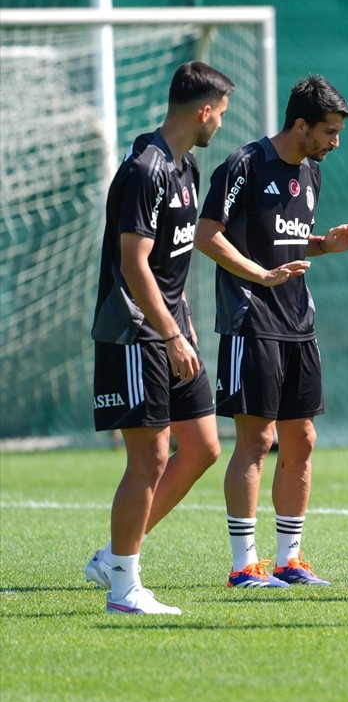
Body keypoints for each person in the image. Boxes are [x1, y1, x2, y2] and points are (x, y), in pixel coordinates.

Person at [195, 75, 348, 589]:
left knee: (303, 438)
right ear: (300, 124)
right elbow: (208, 237)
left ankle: (290, 560)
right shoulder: (243, 165)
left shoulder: (311, 173)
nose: (335, 142)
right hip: (251, 320)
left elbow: (282, 241)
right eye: (329, 131)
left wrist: (321, 244)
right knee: (257, 438)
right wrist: (261, 276)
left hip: (298, 324)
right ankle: (244, 565)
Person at [88, 61, 235, 614]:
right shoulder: (144, 168)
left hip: (171, 328)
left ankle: (113, 556)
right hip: (133, 332)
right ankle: (125, 587)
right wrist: (170, 334)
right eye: (220, 113)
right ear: (202, 110)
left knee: (201, 448)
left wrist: (185, 326)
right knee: (149, 459)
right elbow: (134, 265)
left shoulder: (187, 167)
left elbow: (173, 264)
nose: (221, 123)